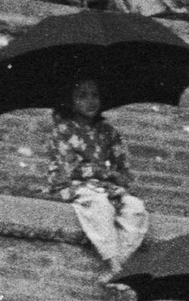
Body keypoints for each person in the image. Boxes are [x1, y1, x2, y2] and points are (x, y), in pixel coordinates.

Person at [48, 76, 149, 286]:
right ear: (70, 101)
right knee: (100, 205)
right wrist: (104, 174)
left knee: (136, 208)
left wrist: (112, 179)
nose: (90, 101)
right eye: (82, 96)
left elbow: (123, 173)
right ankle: (112, 262)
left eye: (95, 95)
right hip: (71, 186)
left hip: (105, 188)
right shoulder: (63, 131)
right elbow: (70, 170)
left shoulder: (109, 133)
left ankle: (119, 264)